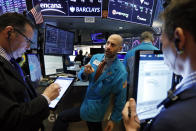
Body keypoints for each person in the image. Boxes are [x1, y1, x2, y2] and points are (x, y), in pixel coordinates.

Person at [122, 0, 196, 130]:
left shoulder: (171, 121)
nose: (161, 40)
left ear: (179, 39)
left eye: (162, 33)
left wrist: (131, 129)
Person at [53, 34, 127, 131]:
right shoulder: (96, 58)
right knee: (62, 117)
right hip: (86, 103)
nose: (108, 47)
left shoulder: (121, 72)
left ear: (120, 48)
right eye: (107, 43)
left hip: (97, 108)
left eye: (113, 45)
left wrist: (113, 120)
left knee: (63, 117)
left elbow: (120, 99)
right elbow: (81, 74)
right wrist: (85, 73)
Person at [0, 12, 60, 131]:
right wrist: (46, 98)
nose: (28, 47)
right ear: (9, 32)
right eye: (27, 40)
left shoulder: (11, 61)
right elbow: (10, 119)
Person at [124, 31, 158, 98]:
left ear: (140, 41)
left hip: (133, 92)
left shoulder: (129, 53)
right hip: (152, 91)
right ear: (152, 41)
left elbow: (125, 76)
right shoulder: (159, 52)